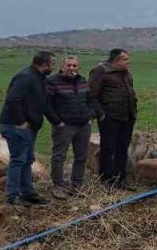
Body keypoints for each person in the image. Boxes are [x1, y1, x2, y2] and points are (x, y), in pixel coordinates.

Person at [0, 51, 54, 206]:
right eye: (52, 63)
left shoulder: (39, 78)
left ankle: (28, 193)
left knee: (27, 160)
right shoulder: (26, 77)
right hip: (16, 126)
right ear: (44, 64)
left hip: (29, 128)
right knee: (18, 160)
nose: (53, 67)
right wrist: (21, 122)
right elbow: (13, 99)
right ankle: (13, 196)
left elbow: (42, 103)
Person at [44, 55, 100, 198]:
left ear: (78, 67)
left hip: (83, 125)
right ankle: (58, 185)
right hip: (64, 126)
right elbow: (47, 105)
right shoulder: (52, 81)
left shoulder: (82, 81)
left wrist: (91, 116)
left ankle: (77, 184)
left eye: (74, 66)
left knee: (81, 156)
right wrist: (57, 122)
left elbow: (91, 100)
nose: (71, 68)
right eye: (68, 65)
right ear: (62, 67)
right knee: (59, 156)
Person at [90, 48, 138, 189]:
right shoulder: (100, 71)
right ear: (116, 60)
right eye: (125, 59)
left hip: (127, 117)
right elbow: (92, 95)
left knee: (122, 149)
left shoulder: (126, 73)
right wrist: (102, 115)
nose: (128, 62)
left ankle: (120, 178)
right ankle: (106, 179)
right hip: (110, 118)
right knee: (107, 148)